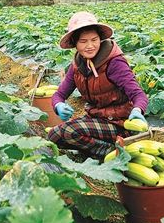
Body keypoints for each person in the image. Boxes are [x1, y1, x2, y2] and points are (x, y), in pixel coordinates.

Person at [47, 11, 148, 160]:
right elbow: (59, 95)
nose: (90, 46)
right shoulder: (77, 66)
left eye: (94, 40)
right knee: (53, 136)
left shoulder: (114, 63)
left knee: (69, 131)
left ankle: (112, 153)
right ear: (75, 44)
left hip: (120, 123)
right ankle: (99, 149)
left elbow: (138, 94)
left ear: (100, 39)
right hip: (97, 119)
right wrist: (58, 105)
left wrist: (137, 110)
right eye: (83, 41)